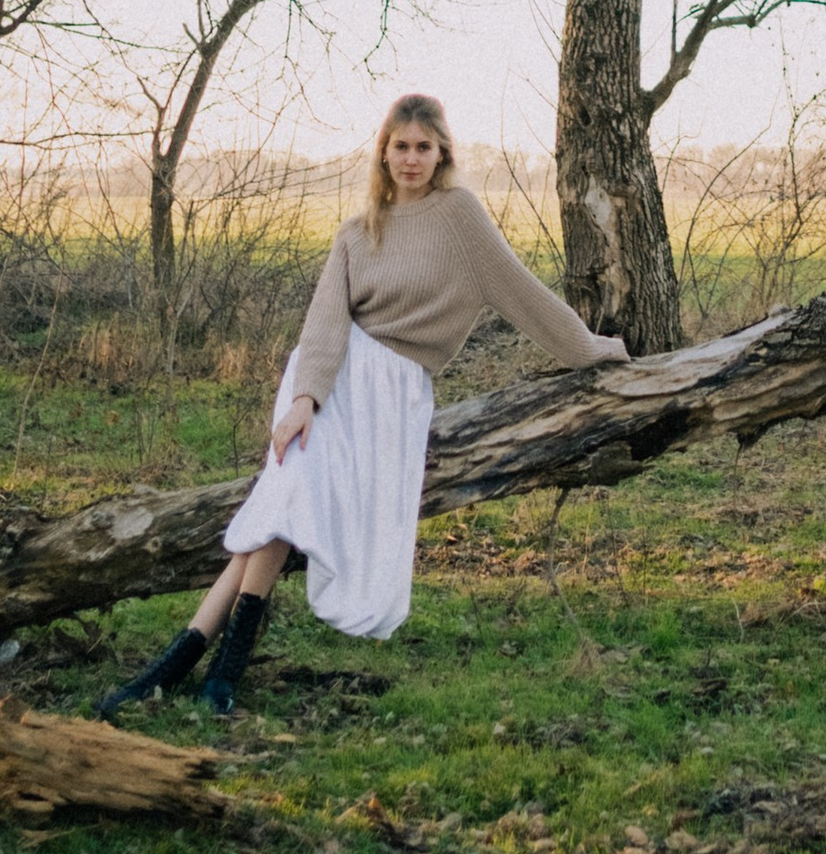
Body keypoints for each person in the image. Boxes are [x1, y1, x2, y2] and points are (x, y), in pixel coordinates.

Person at [99, 93, 628, 718]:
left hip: (393, 394)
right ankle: (210, 673)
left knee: (274, 514)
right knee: (281, 506)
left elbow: (524, 293)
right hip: (326, 384)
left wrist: (596, 349)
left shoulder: (460, 216)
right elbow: (324, 326)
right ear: (383, 152)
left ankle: (179, 666)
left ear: (441, 153)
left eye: (422, 148)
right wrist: (303, 401)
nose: (410, 159)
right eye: (399, 147)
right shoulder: (357, 232)